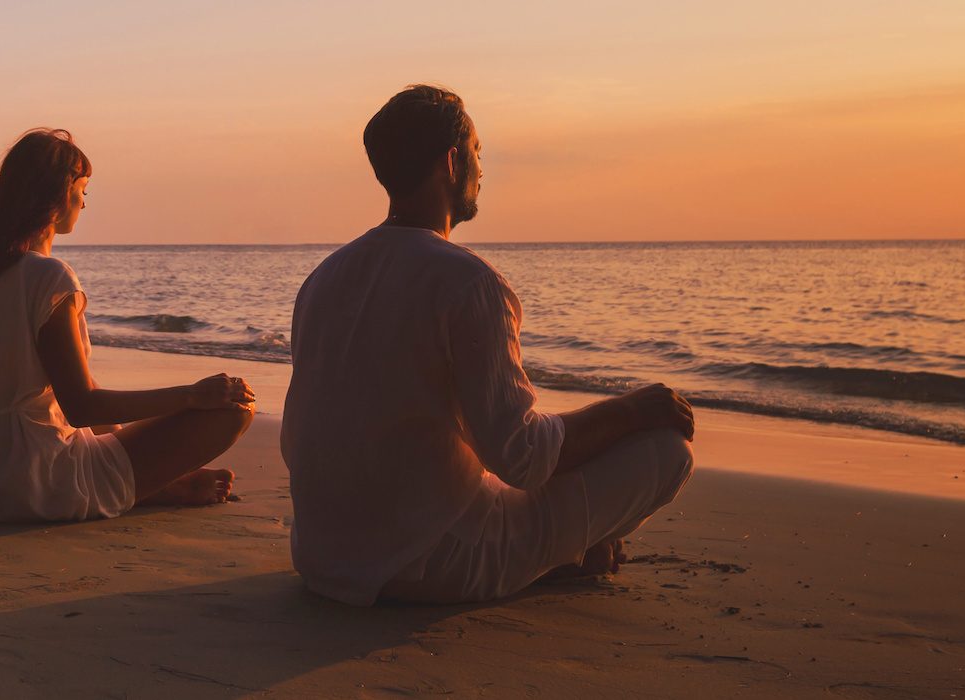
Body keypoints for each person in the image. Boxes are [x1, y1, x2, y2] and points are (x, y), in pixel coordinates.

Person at [282, 86, 698, 606]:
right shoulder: (470, 283)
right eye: (478, 152)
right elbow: (519, 457)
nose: (483, 167)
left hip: (324, 557)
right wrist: (632, 409)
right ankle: (560, 556)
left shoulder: (324, 278)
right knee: (668, 451)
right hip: (430, 564)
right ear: (452, 161)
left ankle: (569, 551)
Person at [0, 129, 255, 523]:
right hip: (31, 483)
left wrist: (123, 440)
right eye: (83, 189)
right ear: (58, 194)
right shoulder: (48, 277)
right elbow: (81, 407)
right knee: (233, 408)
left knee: (100, 437)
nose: (84, 203)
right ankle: (152, 486)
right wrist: (191, 395)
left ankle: (148, 483)